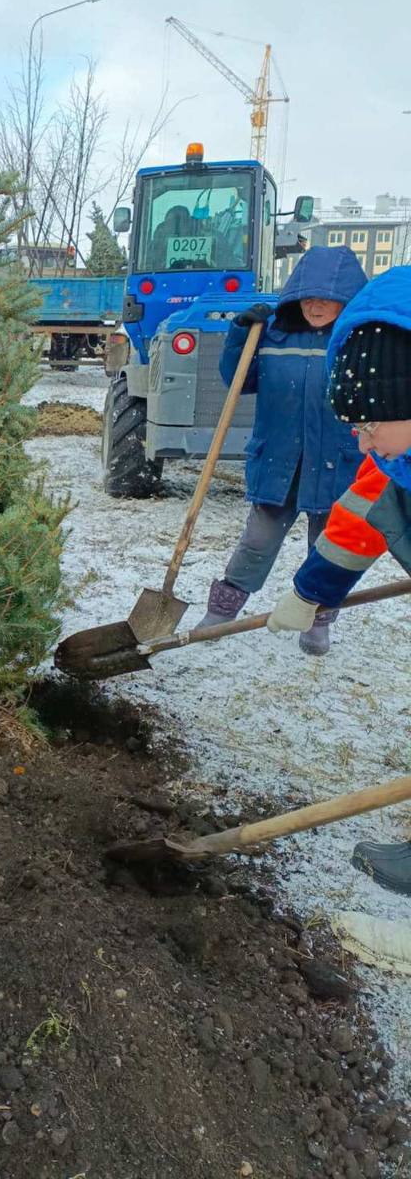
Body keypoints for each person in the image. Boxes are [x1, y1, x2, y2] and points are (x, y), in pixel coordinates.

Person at [266, 266, 411, 891]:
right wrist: (310, 592)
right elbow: (360, 517)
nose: (361, 438)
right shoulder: (392, 457)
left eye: (370, 421)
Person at [195, 245, 367, 655]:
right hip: (280, 459)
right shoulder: (272, 331)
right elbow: (240, 379)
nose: (317, 305)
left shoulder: (359, 337)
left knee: (325, 547)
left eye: (328, 297)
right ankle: (222, 611)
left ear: (348, 296)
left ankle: (318, 622)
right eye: (309, 296)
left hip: (336, 459)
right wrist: (241, 334)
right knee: (257, 540)